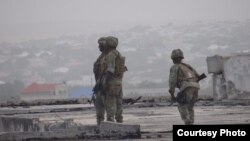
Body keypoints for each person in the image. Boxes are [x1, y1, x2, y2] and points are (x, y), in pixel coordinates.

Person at [168, 49, 200, 125]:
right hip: (196, 87)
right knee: (190, 107)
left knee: (182, 105)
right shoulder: (187, 66)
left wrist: (172, 93)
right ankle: (191, 123)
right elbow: (198, 76)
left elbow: (172, 81)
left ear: (173, 59)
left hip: (186, 87)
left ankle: (188, 123)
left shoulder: (175, 67)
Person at [100, 36, 127, 123]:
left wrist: (105, 82)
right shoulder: (118, 54)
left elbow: (110, 70)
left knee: (111, 102)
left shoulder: (111, 55)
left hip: (112, 82)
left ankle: (110, 121)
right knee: (119, 102)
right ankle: (120, 119)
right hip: (119, 81)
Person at [93, 37, 108, 125]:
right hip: (99, 86)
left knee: (110, 111)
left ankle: (111, 127)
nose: (99, 47)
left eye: (100, 45)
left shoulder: (110, 57)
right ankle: (100, 126)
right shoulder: (100, 57)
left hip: (106, 87)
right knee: (99, 110)